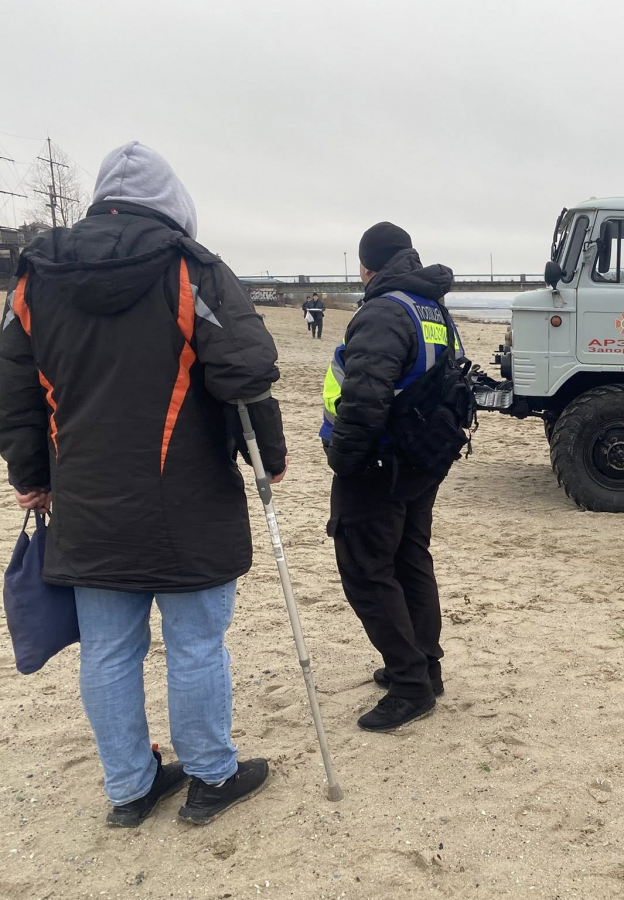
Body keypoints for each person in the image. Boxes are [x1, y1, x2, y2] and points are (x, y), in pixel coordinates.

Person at [0, 142, 288, 827]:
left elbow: (15, 391)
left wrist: (30, 476)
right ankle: (211, 777)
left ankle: (130, 787)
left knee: (108, 648)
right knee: (194, 644)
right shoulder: (192, 269)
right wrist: (266, 456)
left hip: (89, 501)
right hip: (187, 498)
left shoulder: (34, 278)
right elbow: (245, 374)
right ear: (174, 206)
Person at [320, 222, 464, 732]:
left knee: (365, 569)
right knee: (408, 558)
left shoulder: (382, 310)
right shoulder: (434, 309)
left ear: (366, 267)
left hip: (379, 462)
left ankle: (410, 684)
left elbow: (364, 398)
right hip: (424, 459)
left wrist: (345, 460)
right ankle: (427, 665)